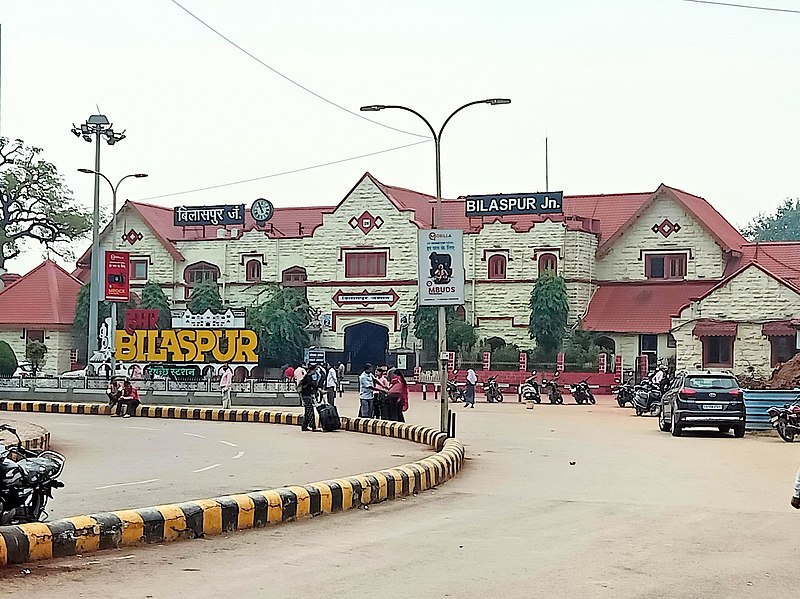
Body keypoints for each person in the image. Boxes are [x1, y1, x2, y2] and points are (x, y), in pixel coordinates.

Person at [299, 364, 320, 431]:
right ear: (312, 370)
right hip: (306, 396)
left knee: (307, 411)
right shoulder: (308, 378)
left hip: (305, 395)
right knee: (310, 411)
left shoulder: (307, 377)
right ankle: (313, 426)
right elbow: (312, 385)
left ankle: (304, 426)